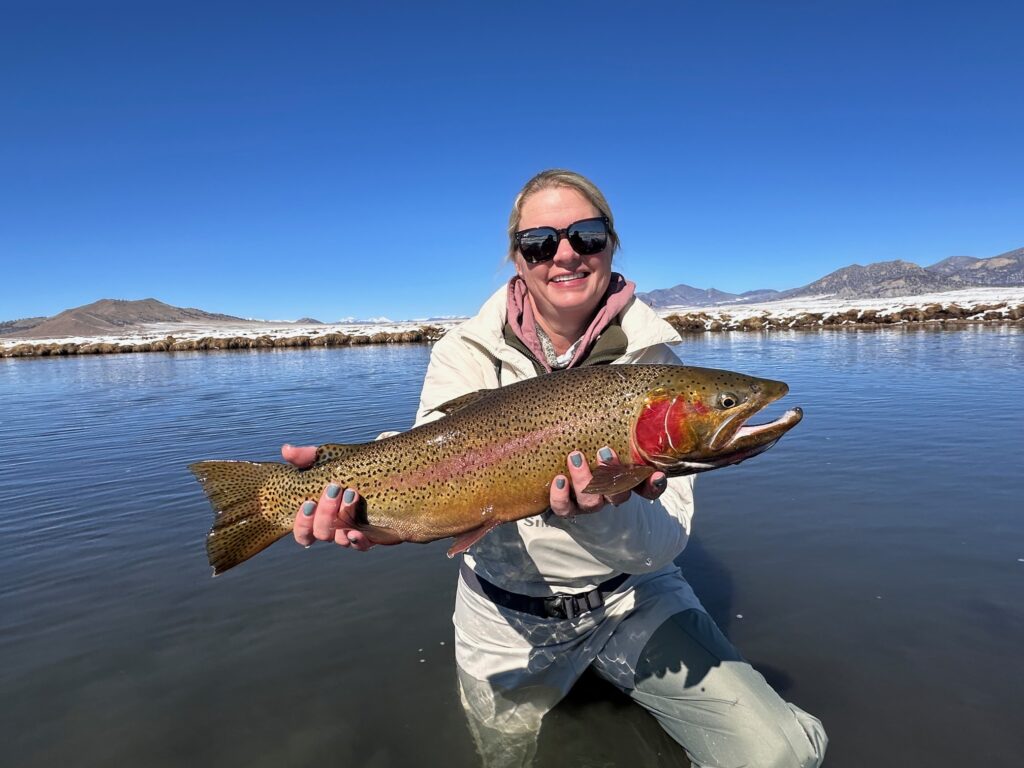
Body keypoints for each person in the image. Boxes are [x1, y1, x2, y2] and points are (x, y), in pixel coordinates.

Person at [284, 170, 828, 767]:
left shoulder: (655, 362)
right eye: (540, 242)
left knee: (782, 755)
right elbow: (432, 462)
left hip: (632, 599)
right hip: (503, 619)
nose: (564, 254)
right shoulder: (463, 354)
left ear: (611, 244)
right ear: (518, 258)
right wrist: (368, 512)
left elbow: (660, 547)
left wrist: (594, 516)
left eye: (586, 235)